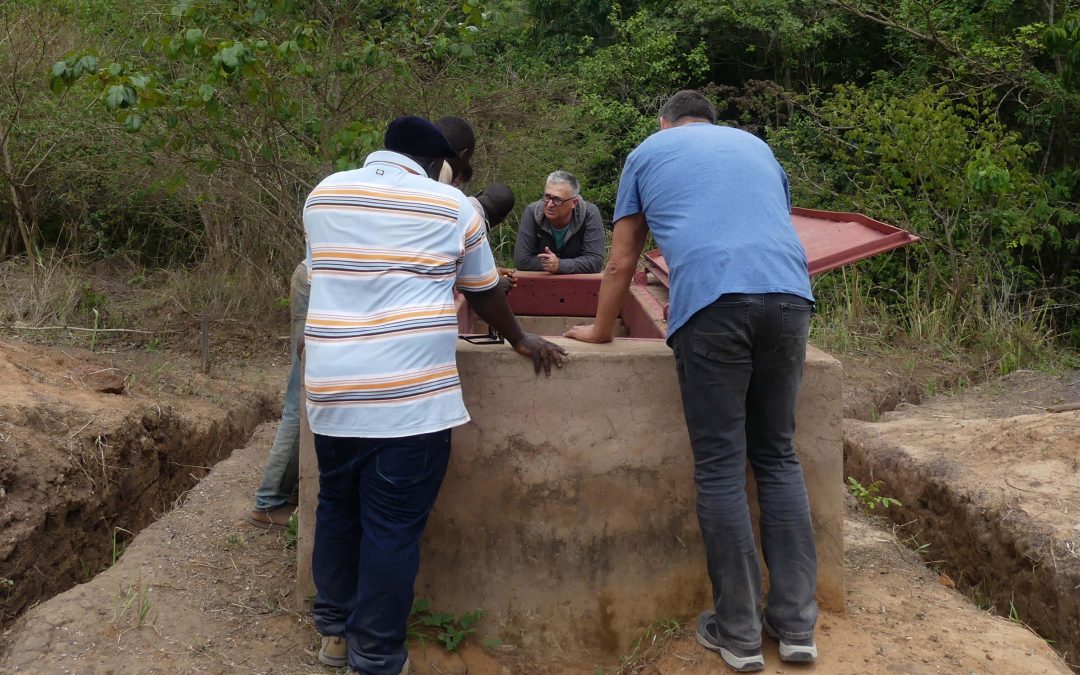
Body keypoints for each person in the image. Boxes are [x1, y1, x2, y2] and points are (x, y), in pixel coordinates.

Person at [303, 115, 567, 675]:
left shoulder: (323, 194)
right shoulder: (453, 207)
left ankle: (334, 634)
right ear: (442, 163)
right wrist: (519, 338)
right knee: (391, 529)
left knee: (338, 508)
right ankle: (376, 656)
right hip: (410, 402)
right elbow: (484, 291)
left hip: (332, 391)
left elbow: (338, 272)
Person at [564, 90, 818, 672]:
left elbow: (620, 260)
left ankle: (740, 634)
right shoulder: (756, 146)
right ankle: (797, 627)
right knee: (778, 456)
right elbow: (768, 223)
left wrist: (600, 331)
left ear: (665, 124)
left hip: (712, 304)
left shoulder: (649, 152)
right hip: (790, 299)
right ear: (711, 122)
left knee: (722, 466)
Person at [247, 261, 309, 530]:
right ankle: (269, 502)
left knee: (304, 396)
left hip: (319, 275)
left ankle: (291, 488)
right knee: (301, 399)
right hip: (320, 279)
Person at [513, 170, 605, 274]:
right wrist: (552, 265)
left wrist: (560, 265)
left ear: (574, 203)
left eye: (557, 200)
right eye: (547, 196)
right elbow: (522, 260)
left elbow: (595, 261)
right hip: (543, 281)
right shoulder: (532, 212)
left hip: (577, 282)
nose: (549, 204)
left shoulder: (589, 213)